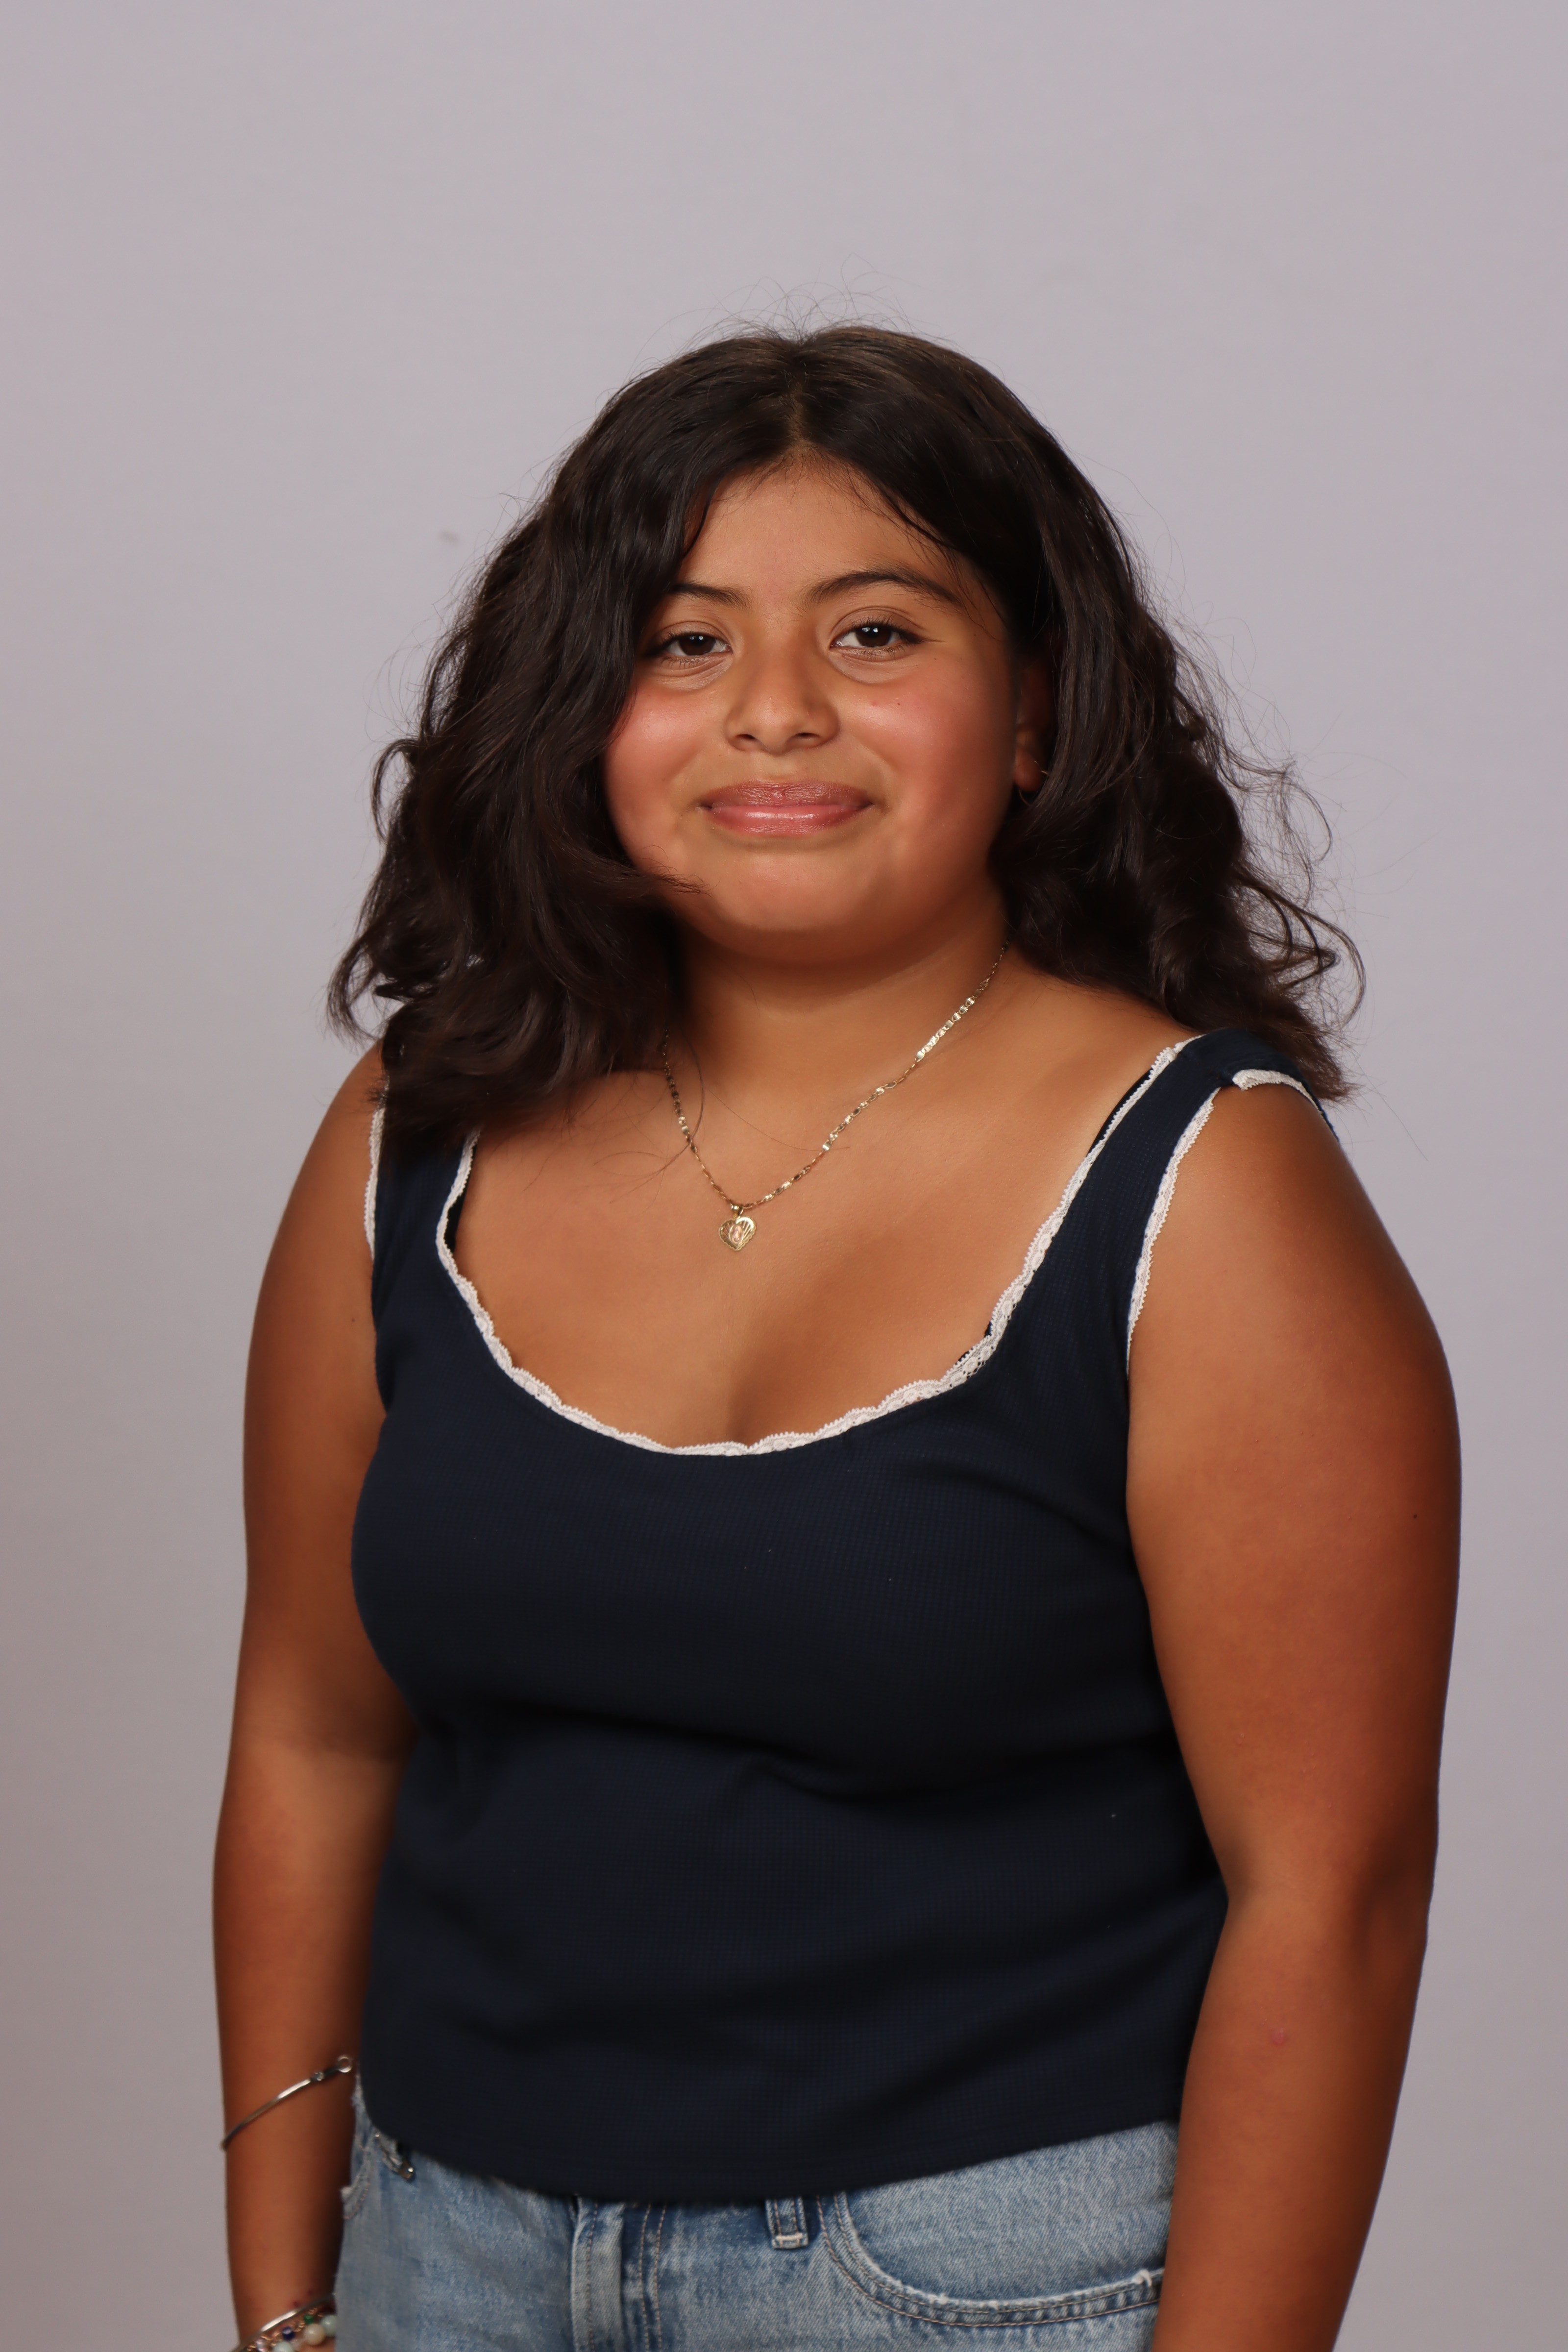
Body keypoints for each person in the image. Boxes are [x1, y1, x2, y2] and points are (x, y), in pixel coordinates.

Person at [215, 325, 1459, 2352]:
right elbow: (311, 1732)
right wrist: (288, 2302)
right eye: (682, 642)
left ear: (1033, 711)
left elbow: (1333, 1895)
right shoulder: (413, 1130)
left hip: (975, 2282)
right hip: (444, 2262)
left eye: (875, 633)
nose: (774, 710)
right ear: (582, 712)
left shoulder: (1202, 1185)